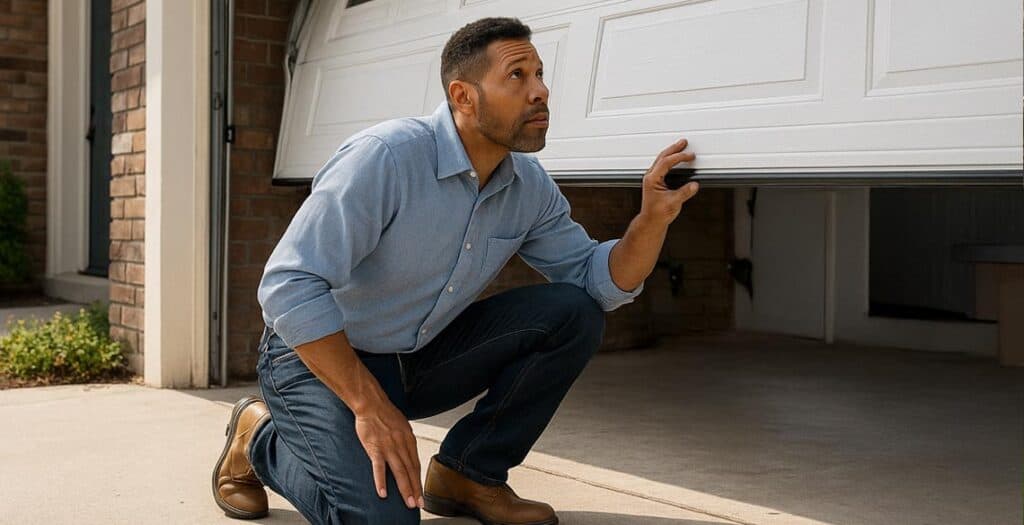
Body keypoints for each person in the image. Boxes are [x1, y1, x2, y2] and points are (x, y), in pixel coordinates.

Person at [211, 16, 699, 525]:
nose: (541, 91)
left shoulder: (526, 184)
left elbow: (597, 280)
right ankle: (259, 439)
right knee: (382, 521)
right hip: (317, 361)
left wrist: (650, 220)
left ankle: (469, 473)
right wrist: (370, 407)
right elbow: (289, 286)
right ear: (463, 96)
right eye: (518, 76)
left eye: (540, 74)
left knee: (573, 312)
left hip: (417, 355)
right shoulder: (386, 158)